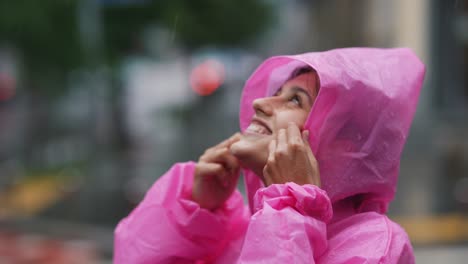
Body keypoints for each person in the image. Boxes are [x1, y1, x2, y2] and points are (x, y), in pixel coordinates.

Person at [114, 47, 425, 263]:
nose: (260, 104)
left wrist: (292, 209)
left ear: (346, 146)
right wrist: (194, 213)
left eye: (294, 101)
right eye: (276, 93)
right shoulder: (240, 226)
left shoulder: (377, 245)